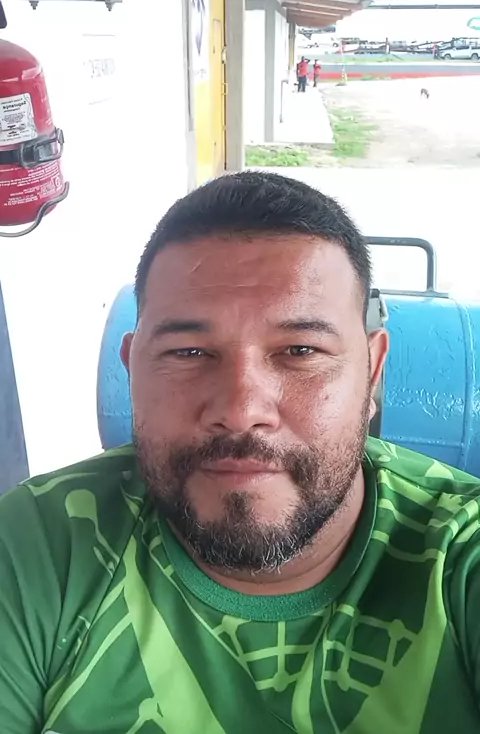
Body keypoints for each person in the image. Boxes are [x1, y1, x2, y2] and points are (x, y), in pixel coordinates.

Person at [1, 171, 480, 733]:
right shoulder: (41, 544)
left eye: (300, 350)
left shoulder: (460, 553)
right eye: (189, 352)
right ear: (131, 370)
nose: (241, 408)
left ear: (372, 371)